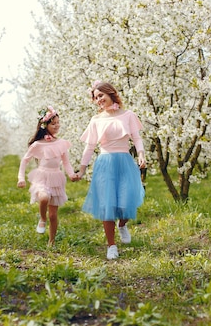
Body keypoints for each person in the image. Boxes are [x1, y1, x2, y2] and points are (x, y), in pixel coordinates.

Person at [76, 81, 146, 260]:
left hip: (124, 161)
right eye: (96, 97)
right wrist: (82, 169)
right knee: (107, 205)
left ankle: (122, 225)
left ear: (110, 93)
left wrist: (141, 154)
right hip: (105, 163)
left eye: (101, 95)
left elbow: (136, 138)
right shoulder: (96, 120)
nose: (98, 99)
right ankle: (111, 245)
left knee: (127, 200)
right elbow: (90, 147)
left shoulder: (128, 115)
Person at [17, 106, 78, 246]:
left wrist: (71, 174)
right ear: (45, 126)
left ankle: (51, 241)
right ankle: (42, 219)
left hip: (56, 177)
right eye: (53, 123)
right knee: (44, 197)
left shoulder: (61, 143)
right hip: (42, 176)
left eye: (58, 123)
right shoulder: (38, 144)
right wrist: (20, 178)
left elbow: (66, 162)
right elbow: (24, 160)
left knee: (54, 215)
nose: (57, 126)